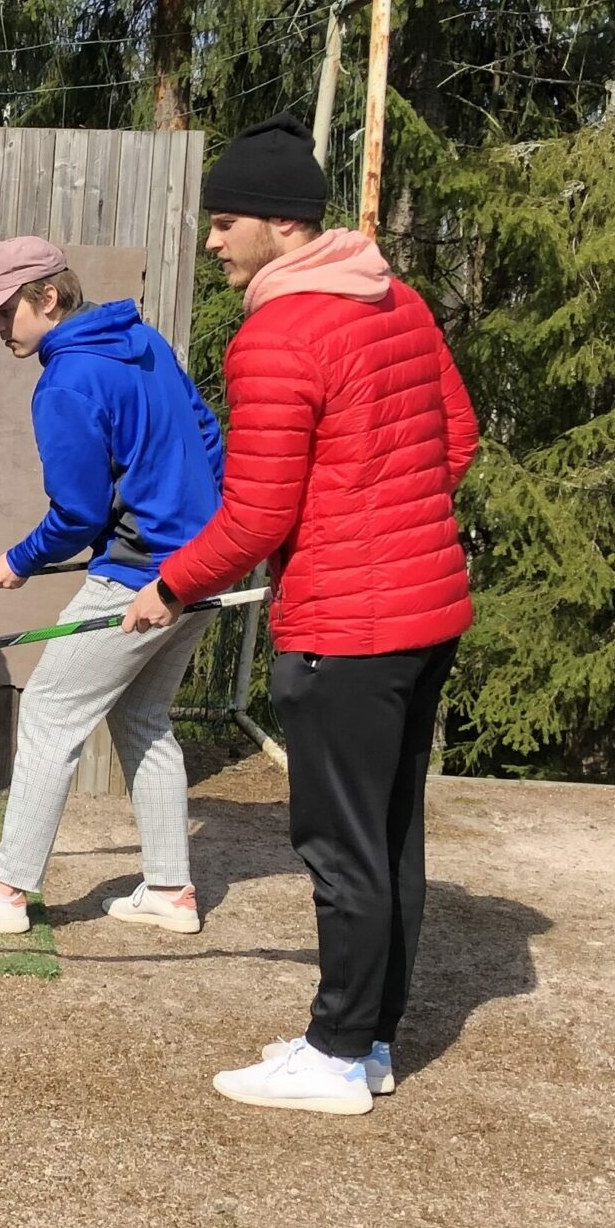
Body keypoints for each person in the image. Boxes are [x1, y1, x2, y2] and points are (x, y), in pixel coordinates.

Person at [123, 112, 479, 1116]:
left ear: (282, 225)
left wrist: (168, 587)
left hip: (347, 628)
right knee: (389, 836)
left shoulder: (277, 334)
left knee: (338, 845)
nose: (210, 242)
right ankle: (370, 1043)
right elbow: (457, 438)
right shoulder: (396, 298)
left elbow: (256, 515)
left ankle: (333, 1054)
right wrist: (387, 526)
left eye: (223, 221)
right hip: (424, 615)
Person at [0, 237, 227, 937]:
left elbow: (78, 515)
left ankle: (5, 889)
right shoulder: (145, 342)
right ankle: (170, 890)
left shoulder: (66, 381)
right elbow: (209, 437)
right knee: (143, 718)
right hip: (205, 568)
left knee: (51, 710)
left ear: (48, 298)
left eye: (5, 311)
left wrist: (22, 558)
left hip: (142, 577)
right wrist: (207, 536)